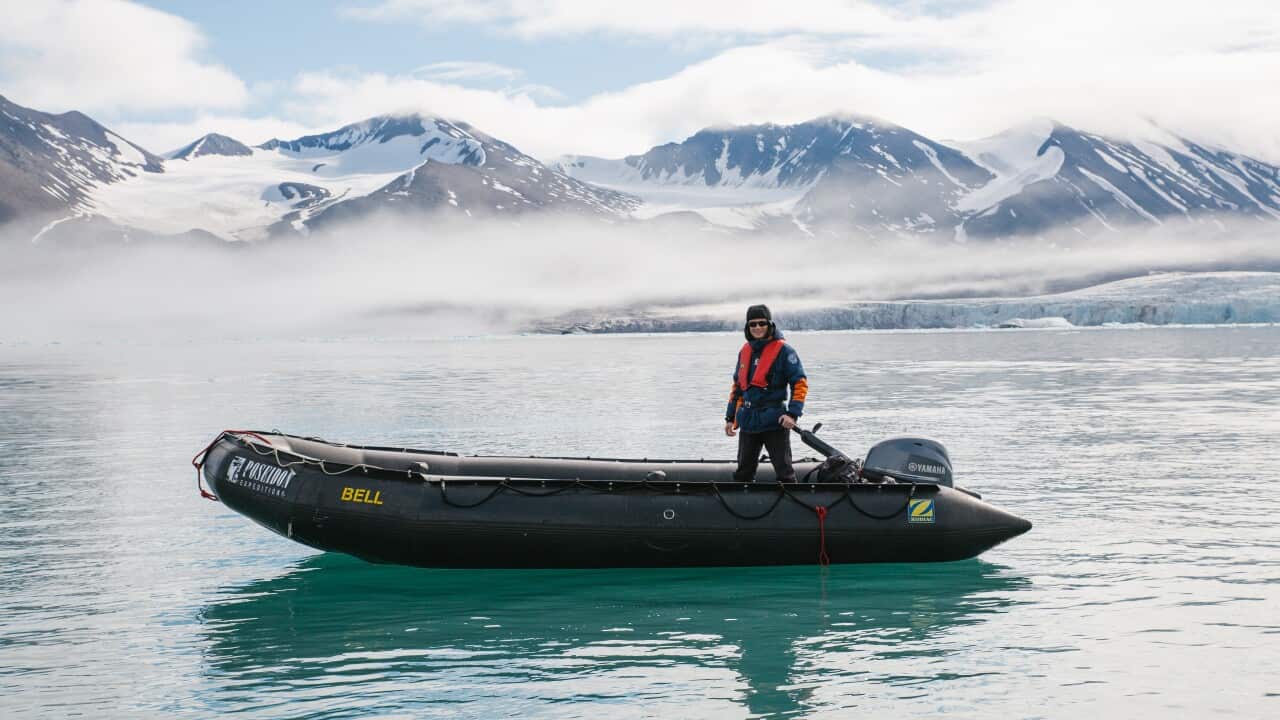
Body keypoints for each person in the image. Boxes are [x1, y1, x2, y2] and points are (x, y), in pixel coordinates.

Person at [724, 305, 808, 482]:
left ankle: (791, 505)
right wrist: (730, 418)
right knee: (743, 473)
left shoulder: (785, 351)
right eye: (752, 324)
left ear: (770, 325)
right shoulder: (744, 351)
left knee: (785, 473)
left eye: (761, 323)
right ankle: (743, 506)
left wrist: (792, 414)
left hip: (775, 421)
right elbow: (738, 387)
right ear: (748, 327)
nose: (757, 328)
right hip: (748, 421)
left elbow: (799, 383)